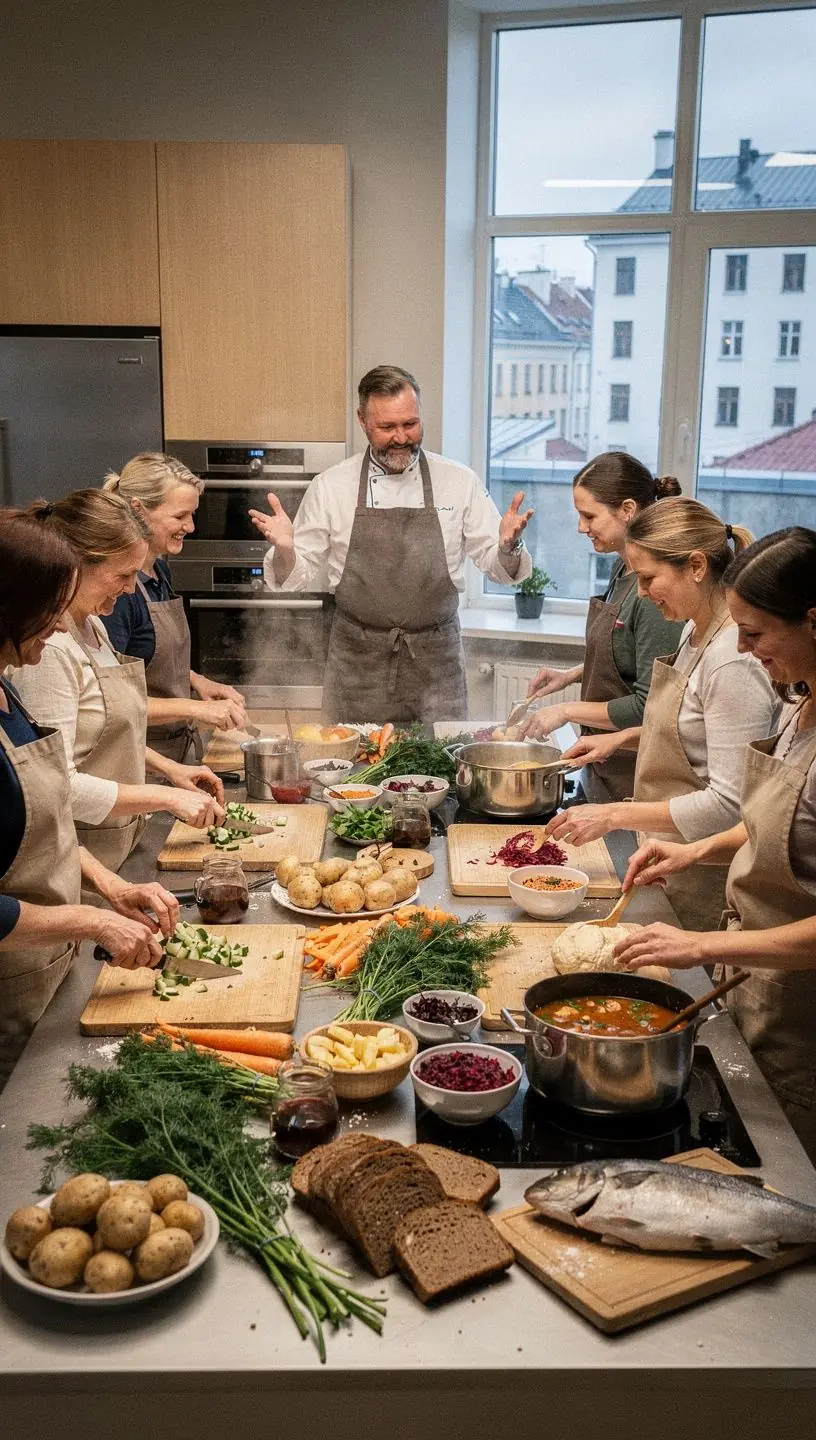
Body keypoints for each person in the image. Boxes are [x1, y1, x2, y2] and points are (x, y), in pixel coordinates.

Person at [614, 528, 816, 1160]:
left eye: (755, 635)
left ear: (813, 621)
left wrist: (702, 943)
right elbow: (765, 820)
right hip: (753, 981)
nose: (745, 649)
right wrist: (697, 850)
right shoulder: (798, 705)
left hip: (800, 1012)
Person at [249, 365, 534, 723]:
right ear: (362, 420)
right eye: (387, 427)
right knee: (351, 770)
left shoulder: (459, 482)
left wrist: (508, 548)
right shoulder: (331, 486)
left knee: (438, 767)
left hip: (436, 664)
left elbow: (498, 567)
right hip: (357, 666)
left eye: (410, 424)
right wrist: (287, 551)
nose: (401, 437)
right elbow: (296, 575)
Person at [0, 509, 177, 1086]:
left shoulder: (6, 688)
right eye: (48, 608)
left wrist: (111, 887)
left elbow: (42, 823)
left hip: (46, 963)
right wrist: (91, 921)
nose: (57, 626)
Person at [544, 498, 780, 930]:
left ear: (695, 566)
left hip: (703, 874)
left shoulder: (733, 660)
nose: (641, 593)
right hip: (667, 854)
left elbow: (729, 804)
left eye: (649, 578)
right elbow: (693, 730)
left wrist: (613, 814)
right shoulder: (695, 628)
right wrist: (623, 738)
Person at [10, 491, 224, 876]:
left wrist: (167, 769)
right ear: (76, 564)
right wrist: (164, 797)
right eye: (123, 575)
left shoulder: (92, 625)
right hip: (77, 853)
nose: (130, 590)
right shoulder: (49, 651)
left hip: (115, 839)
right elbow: (58, 786)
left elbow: (104, 731)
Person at [519, 453, 684, 801]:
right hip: (604, 763)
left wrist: (565, 711)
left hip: (635, 775)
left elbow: (647, 705)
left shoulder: (654, 592)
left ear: (627, 509)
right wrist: (572, 675)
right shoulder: (621, 570)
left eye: (589, 515)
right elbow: (627, 654)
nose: (581, 527)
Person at [101, 452, 247, 762]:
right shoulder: (119, 595)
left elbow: (147, 659)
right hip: (140, 760)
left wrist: (196, 681)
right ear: (139, 511)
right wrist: (198, 708)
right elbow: (111, 702)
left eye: (192, 515)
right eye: (180, 516)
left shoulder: (160, 573)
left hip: (177, 749)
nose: (191, 526)